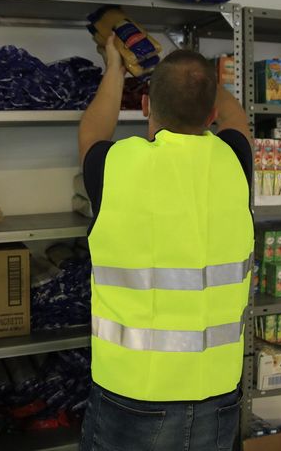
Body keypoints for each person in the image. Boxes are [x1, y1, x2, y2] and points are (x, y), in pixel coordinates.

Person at [77, 34, 254, 451]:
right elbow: (238, 118)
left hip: (133, 394)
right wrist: (205, 78)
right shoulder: (236, 162)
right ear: (211, 113)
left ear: (145, 107)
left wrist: (115, 68)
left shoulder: (116, 166)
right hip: (217, 394)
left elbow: (92, 129)